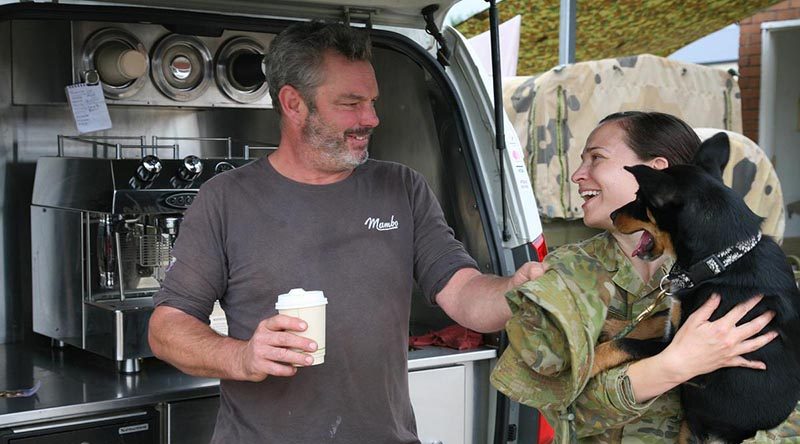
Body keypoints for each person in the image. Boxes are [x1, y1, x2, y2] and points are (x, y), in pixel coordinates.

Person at [147, 21, 544, 443]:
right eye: (351, 103)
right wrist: (242, 357)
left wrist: (515, 292)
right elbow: (167, 328)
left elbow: (463, 292)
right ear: (293, 103)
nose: (370, 118)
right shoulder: (225, 199)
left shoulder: (402, 188)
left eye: (372, 101)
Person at [491, 111, 800, 442]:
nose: (577, 175)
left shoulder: (755, 278)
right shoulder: (564, 277)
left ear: (657, 174)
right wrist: (673, 365)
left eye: (596, 157)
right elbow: (563, 408)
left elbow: (786, 417)